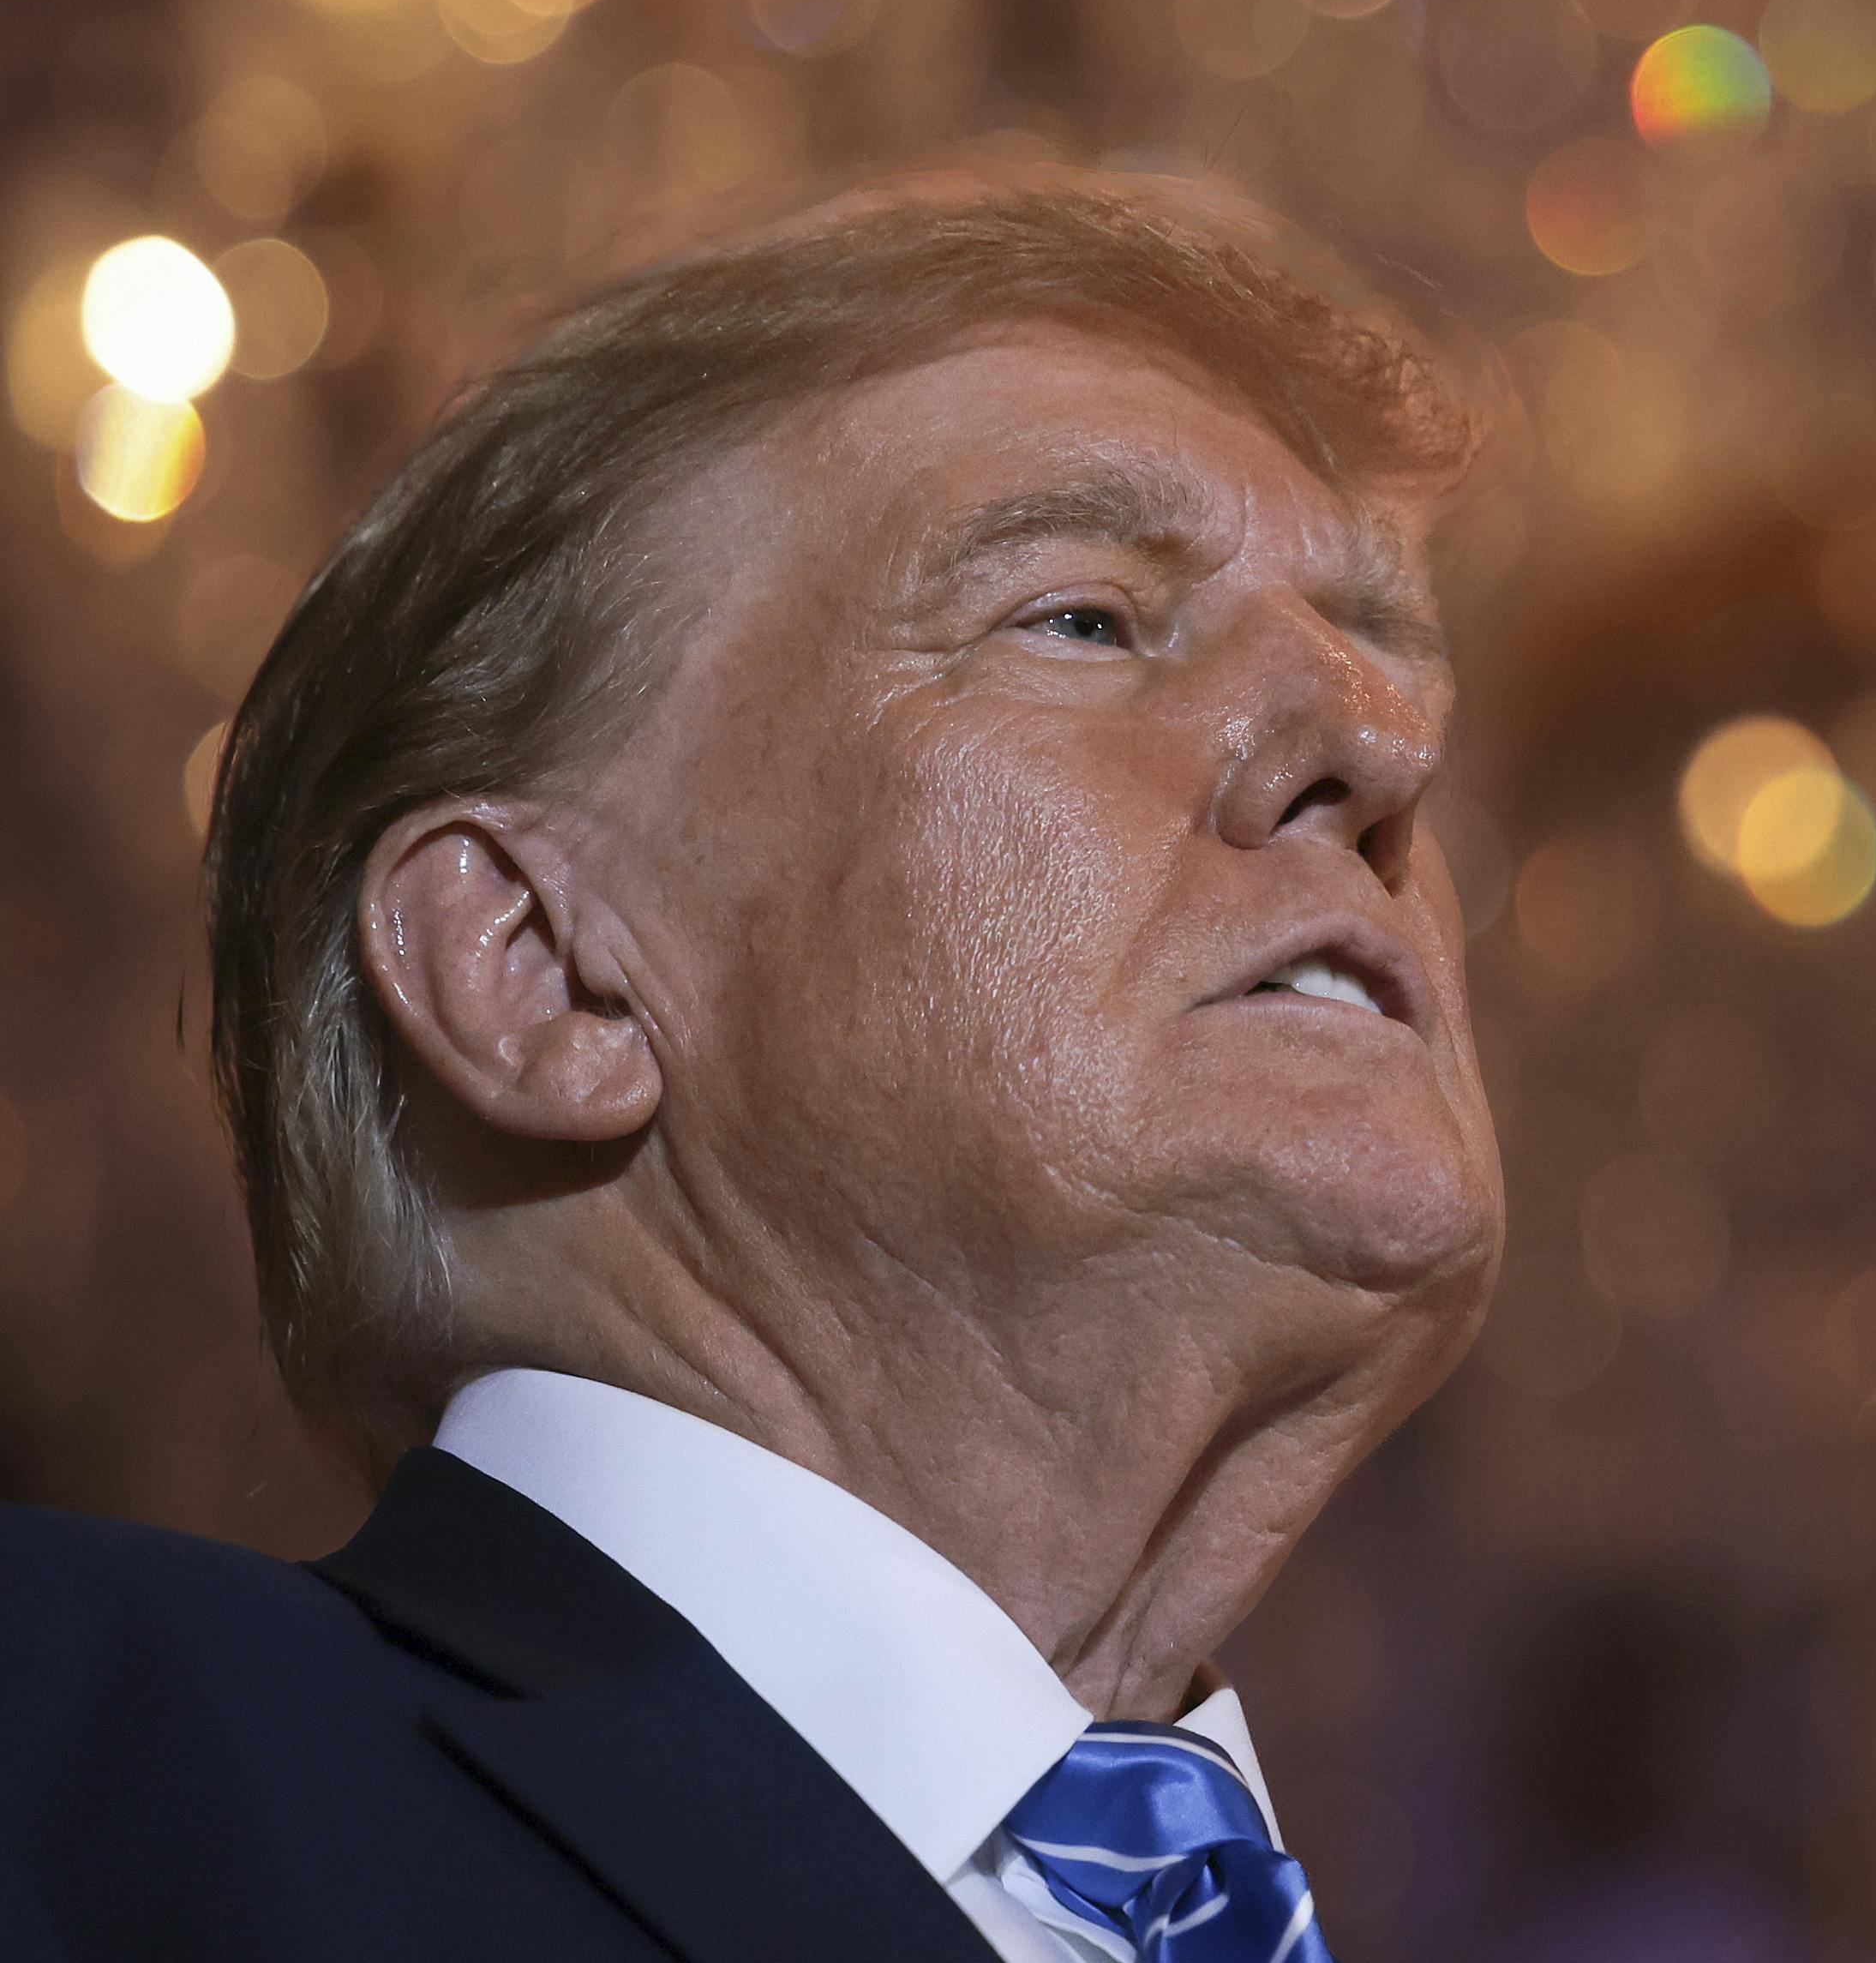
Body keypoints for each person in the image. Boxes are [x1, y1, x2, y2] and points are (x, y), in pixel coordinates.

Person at [0, 169, 1502, 1961]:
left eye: (1387, 659)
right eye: (1084, 617)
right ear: (539, 971)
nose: (1379, 742)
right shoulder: (73, 1765)